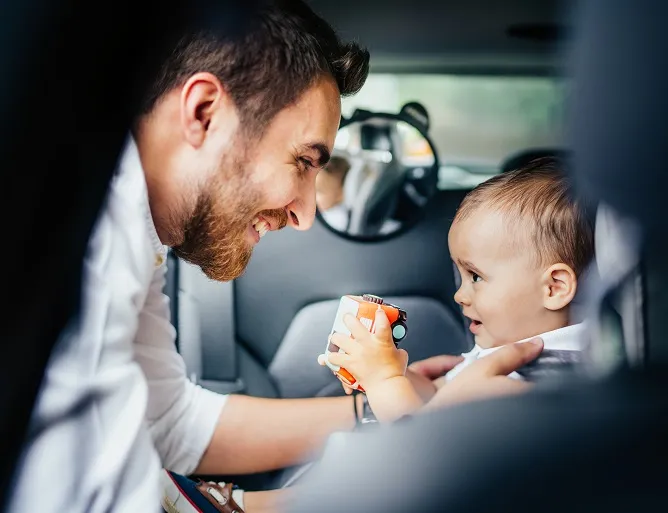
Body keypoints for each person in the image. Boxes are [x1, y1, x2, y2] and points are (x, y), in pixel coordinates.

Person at [7, 1, 541, 513]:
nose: (306, 214)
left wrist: (391, 401)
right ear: (204, 112)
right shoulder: (95, 247)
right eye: (304, 161)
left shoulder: (143, 230)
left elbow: (170, 424)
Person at [321, 157, 595, 421]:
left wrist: (384, 381)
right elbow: (440, 396)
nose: (459, 296)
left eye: (475, 277)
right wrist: (394, 370)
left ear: (554, 287)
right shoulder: (508, 348)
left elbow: (424, 445)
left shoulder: (543, 383)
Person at [316, 155, 352, 231]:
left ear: (340, 195)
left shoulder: (338, 218)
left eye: (319, 191)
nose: (312, 196)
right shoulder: (325, 210)